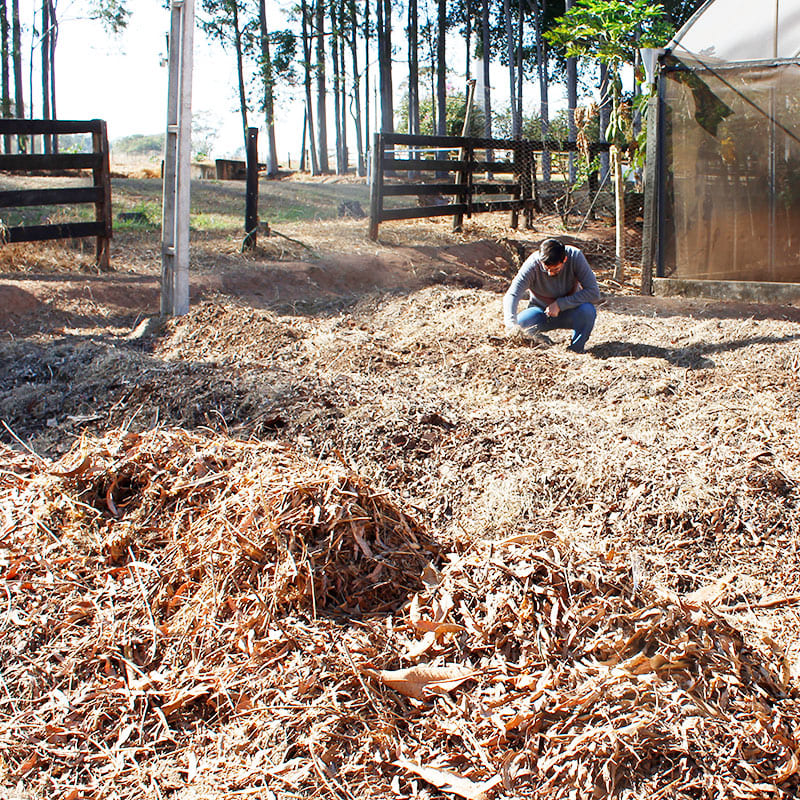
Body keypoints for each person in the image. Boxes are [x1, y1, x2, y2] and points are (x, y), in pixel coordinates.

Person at [503, 238, 600, 354]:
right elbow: (512, 294)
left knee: (588, 311)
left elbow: (594, 293)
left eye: (556, 269)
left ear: (565, 259)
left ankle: (576, 350)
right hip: (540, 312)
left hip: (572, 312)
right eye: (546, 269)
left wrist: (560, 304)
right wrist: (511, 325)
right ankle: (542, 342)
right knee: (521, 323)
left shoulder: (575, 256)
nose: (550, 273)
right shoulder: (532, 264)